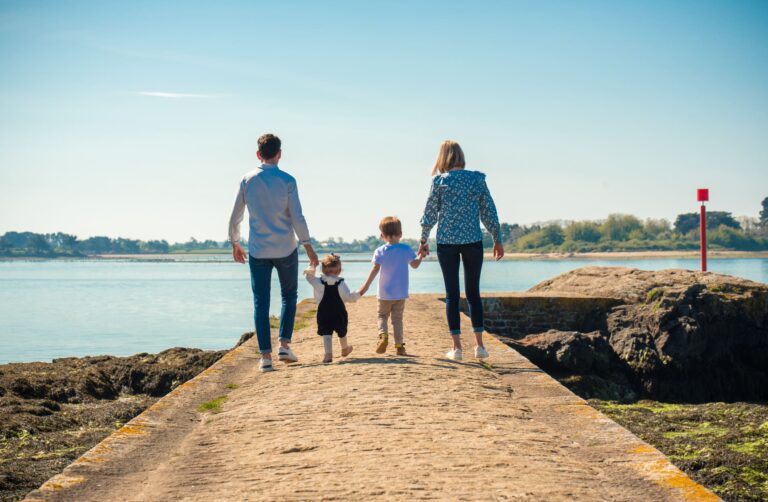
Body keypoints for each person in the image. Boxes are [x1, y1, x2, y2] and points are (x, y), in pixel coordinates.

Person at [228, 133, 319, 372]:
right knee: (289, 296)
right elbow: (297, 217)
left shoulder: (247, 180)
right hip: (286, 248)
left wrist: (234, 242)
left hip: (258, 250)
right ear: (279, 154)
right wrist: (309, 247)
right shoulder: (288, 180)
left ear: (258, 154)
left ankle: (265, 358)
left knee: (261, 302)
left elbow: (236, 215)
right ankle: (284, 345)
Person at [418, 140, 503, 361]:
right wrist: (497, 239)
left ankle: (456, 349)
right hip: (473, 241)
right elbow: (489, 212)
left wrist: (423, 239)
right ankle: (480, 346)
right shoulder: (477, 179)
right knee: (473, 294)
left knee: (452, 295)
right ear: (461, 157)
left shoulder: (439, 181)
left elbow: (429, 213)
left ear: (442, 158)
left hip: (447, 243)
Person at [359, 216, 423, 356]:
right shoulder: (406, 249)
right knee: (397, 320)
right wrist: (421, 255)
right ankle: (400, 347)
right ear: (400, 234)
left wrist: (365, 286)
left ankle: (383, 335)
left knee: (382, 316)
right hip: (400, 293)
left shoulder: (380, 251)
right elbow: (415, 265)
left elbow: (375, 269)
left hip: (384, 293)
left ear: (382, 235)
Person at [304, 254, 360, 363]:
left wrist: (312, 265)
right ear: (339, 270)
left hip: (323, 312)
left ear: (323, 269)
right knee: (342, 331)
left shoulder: (318, 282)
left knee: (326, 333)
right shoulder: (341, 283)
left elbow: (308, 277)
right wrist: (359, 293)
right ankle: (345, 349)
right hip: (339, 312)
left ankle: (328, 355)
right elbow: (349, 297)